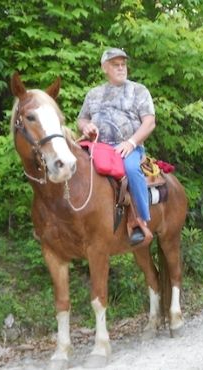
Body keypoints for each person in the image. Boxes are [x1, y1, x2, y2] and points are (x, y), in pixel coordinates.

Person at [78, 47, 155, 246]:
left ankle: (140, 220)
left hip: (128, 147)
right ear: (105, 68)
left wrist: (131, 142)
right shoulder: (93, 94)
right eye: (115, 65)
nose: (121, 68)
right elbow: (82, 119)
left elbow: (149, 123)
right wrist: (87, 127)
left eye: (123, 64)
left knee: (130, 168)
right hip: (98, 147)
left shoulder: (139, 91)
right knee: (71, 164)